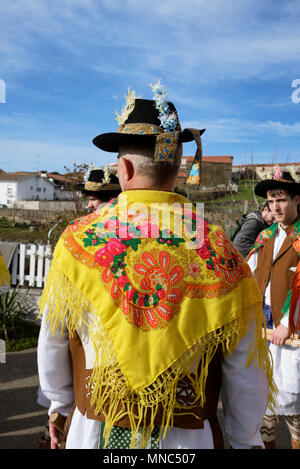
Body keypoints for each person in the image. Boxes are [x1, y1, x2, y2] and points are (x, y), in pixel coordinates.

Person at [38, 82, 275, 450]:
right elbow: (245, 370)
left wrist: (59, 405)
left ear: (125, 168)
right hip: (189, 439)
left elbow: (53, 339)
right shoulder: (219, 249)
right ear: (177, 168)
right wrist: (246, 440)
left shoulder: (78, 241)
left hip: (96, 431)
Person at [248, 167, 300, 449]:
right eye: (271, 200)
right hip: (262, 325)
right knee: (265, 404)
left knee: (293, 404)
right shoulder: (265, 236)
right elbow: (250, 273)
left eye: (281, 199)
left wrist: (287, 323)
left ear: (296, 200)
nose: (276, 206)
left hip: (292, 328)